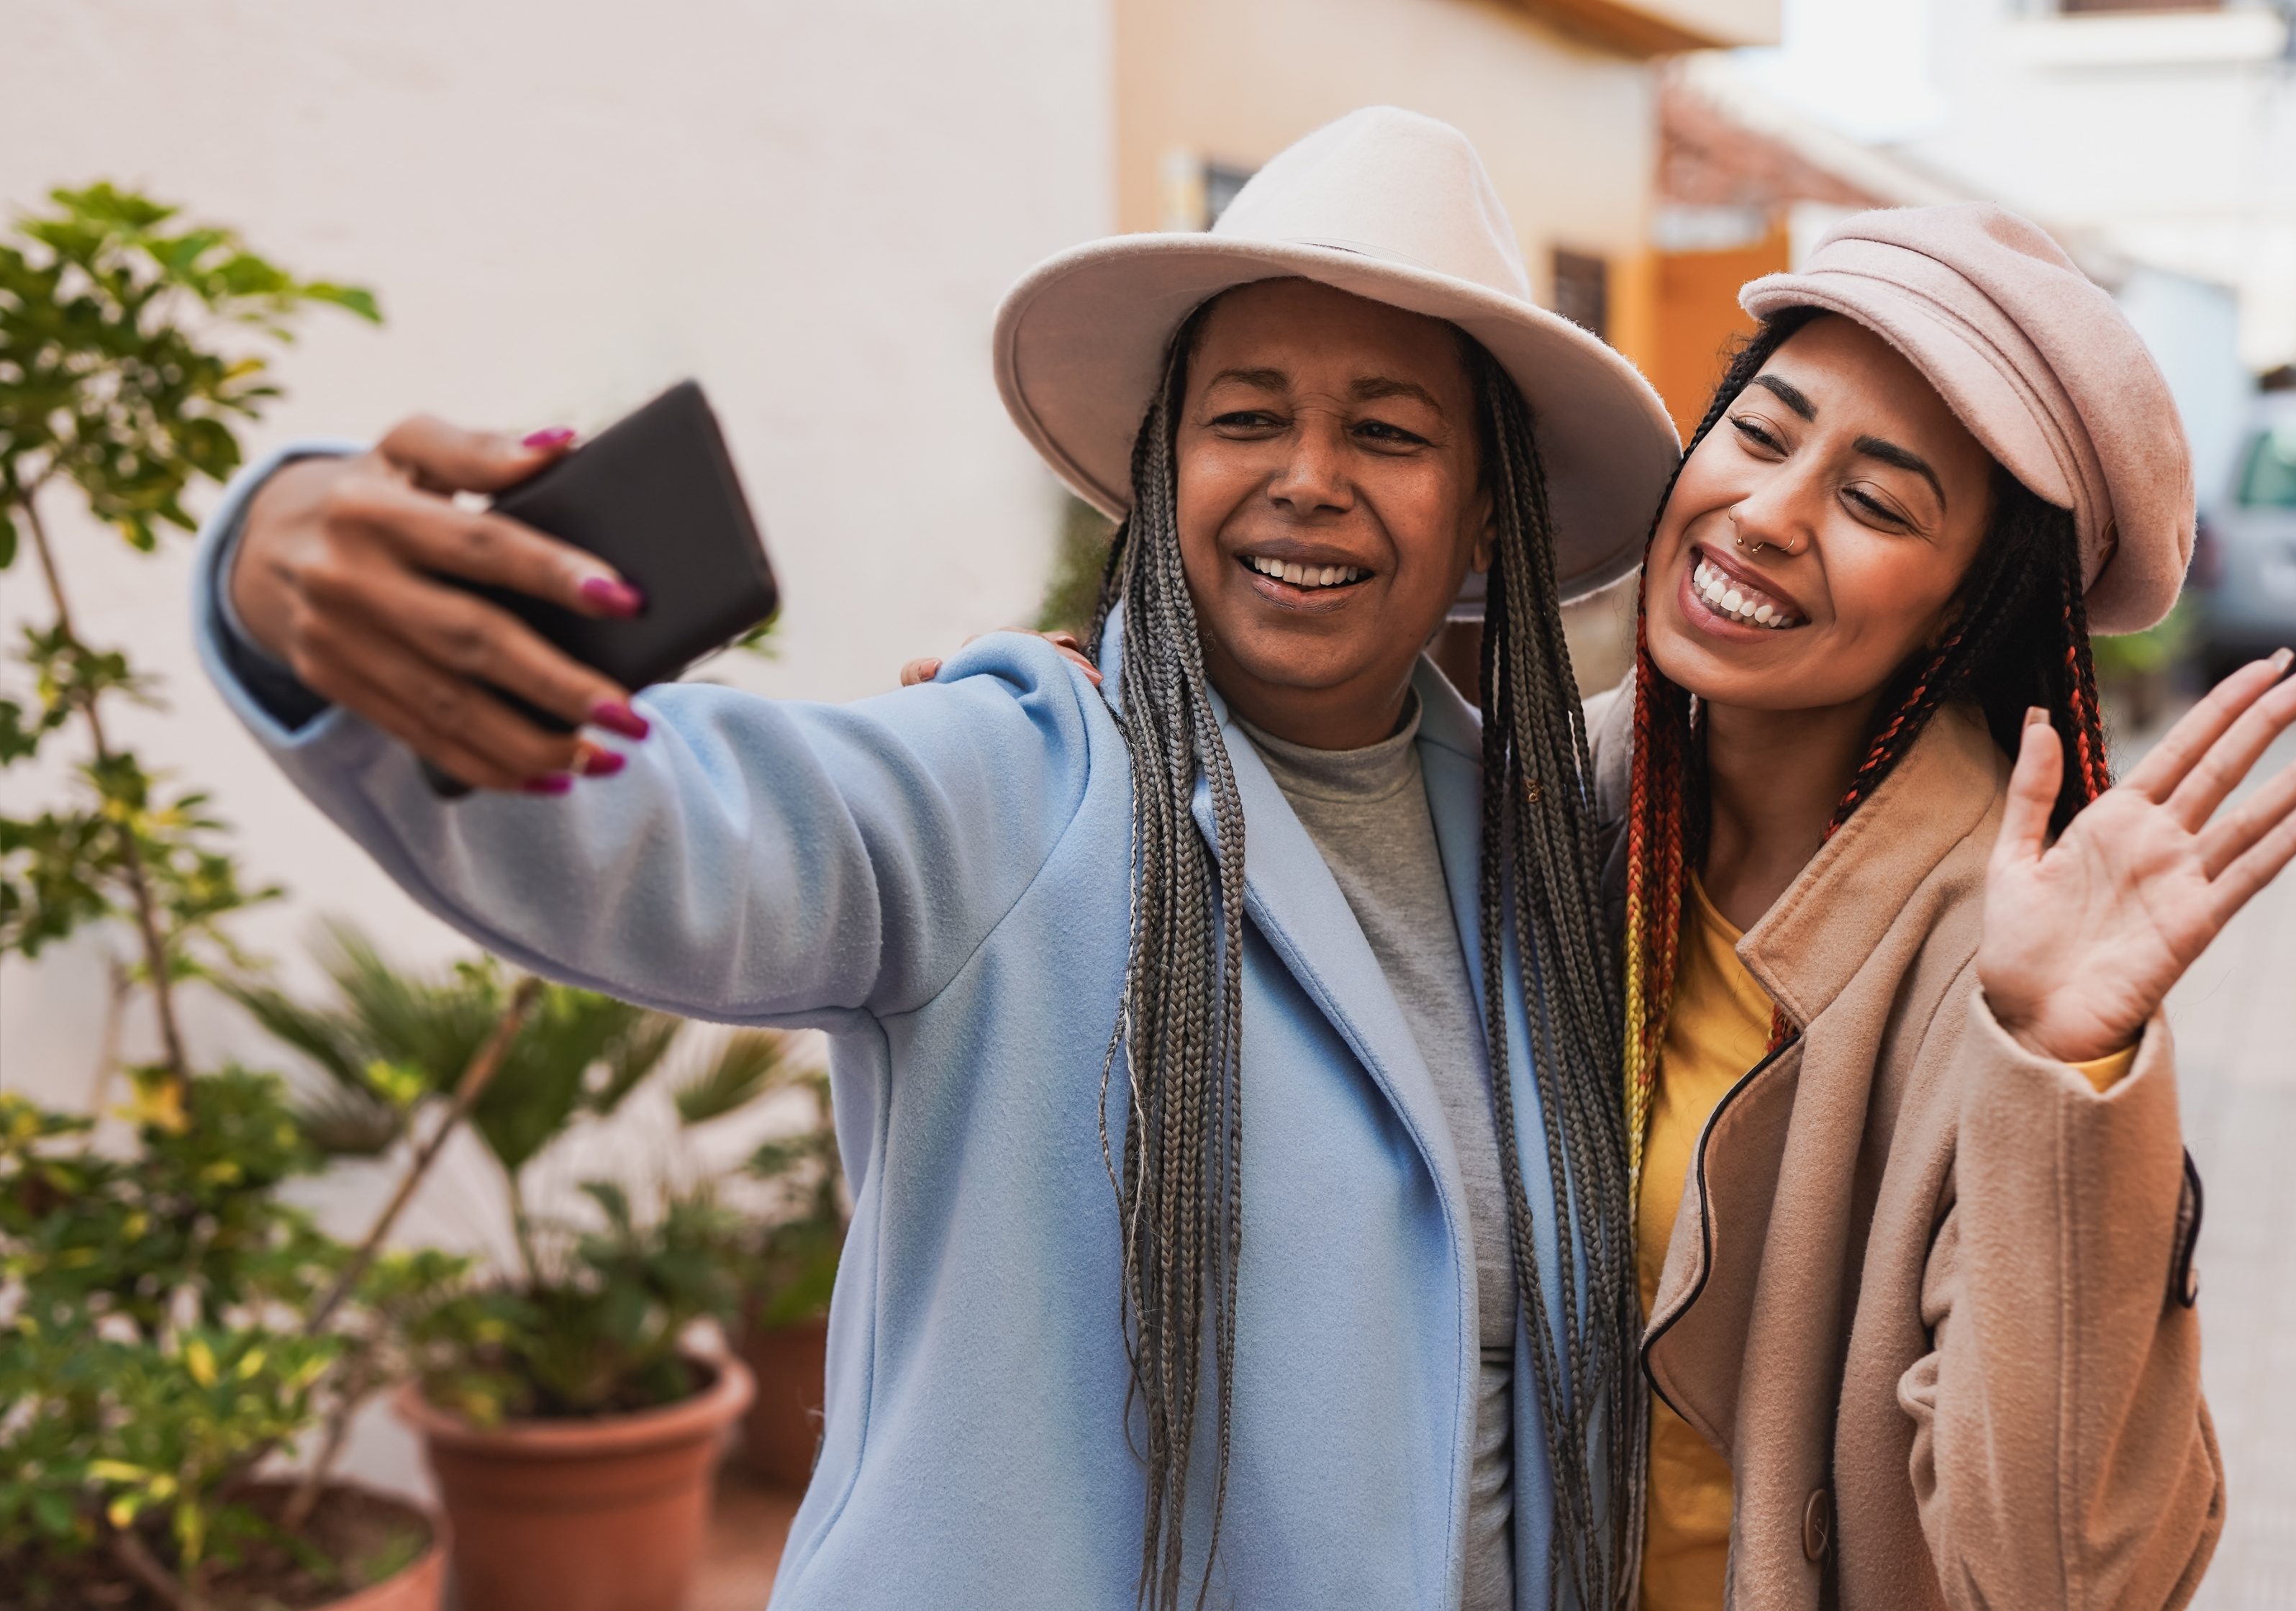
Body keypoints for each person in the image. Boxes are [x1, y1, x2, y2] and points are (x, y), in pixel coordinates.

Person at [191, 109, 1685, 1610]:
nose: (1307, 474)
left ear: (1486, 502)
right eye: (1245, 417)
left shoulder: (1559, 850)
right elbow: (650, 829)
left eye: (1387, 430)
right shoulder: (1016, 780)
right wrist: (286, 556)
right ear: (1165, 468)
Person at [981, 205, 2296, 1610]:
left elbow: (2070, 1578)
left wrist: (2064, 1073)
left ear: (1963, 609)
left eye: (1878, 501)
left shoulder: (2002, 968)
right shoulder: (1546, 803)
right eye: (1761, 436)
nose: (1767, 514)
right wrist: (1097, 746)